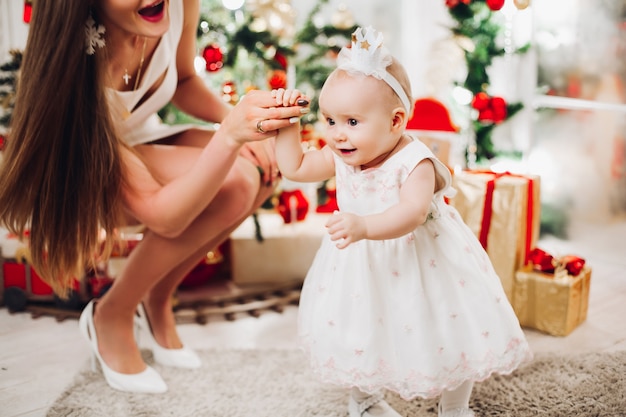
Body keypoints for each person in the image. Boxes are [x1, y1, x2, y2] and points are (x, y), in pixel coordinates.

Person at [0, 0, 308, 394]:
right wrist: (231, 134)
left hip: (140, 135)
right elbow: (165, 218)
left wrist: (236, 122)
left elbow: (182, 81)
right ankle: (111, 313)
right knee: (235, 182)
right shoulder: (77, 64)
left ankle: (158, 297)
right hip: (85, 164)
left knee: (263, 170)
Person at [272, 26, 533, 417]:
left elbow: (410, 213)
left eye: (352, 122)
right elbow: (294, 166)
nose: (338, 134)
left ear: (396, 121)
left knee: (451, 328)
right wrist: (287, 124)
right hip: (361, 265)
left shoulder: (415, 161)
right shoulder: (342, 153)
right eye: (329, 120)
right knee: (359, 329)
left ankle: (455, 406)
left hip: (423, 260)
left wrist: (364, 226)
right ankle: (363, 397)